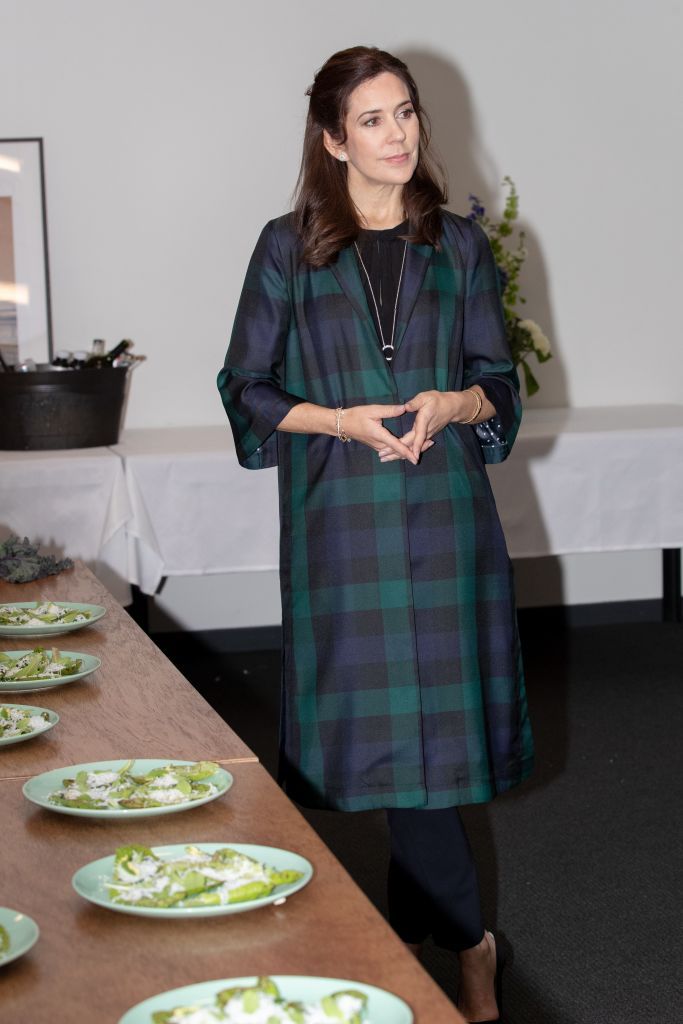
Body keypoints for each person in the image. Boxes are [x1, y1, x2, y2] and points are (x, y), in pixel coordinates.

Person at [218, 45, 534, 1024]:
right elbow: (248, 388)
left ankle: (445, 957)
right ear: (330, 138)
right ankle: (460, 947)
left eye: (403, 113)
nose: (396, 134)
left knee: (423, 758)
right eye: (371, 119)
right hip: (342, 527)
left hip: (442, 524)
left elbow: (502, 386)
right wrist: (342, 419)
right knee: (396, 760)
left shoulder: (460, 247)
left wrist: (448, 402)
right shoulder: (286, 248)